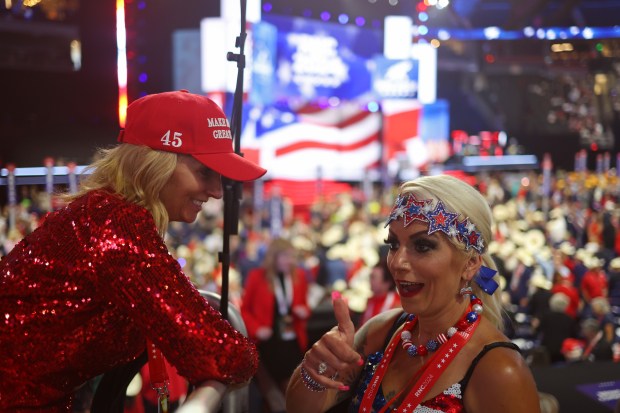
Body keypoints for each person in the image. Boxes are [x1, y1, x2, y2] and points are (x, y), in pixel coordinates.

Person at [0, 90, 266, 412]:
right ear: (155, 163)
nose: (215, 192)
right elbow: (224, 354)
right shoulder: (117, 224)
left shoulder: (104, 214)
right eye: (203, 172)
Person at [286, 174, 541, 413]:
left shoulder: (500, 371)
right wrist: (314, 370)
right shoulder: (382, 332)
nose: (397, 262)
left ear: (470, 264)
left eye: (422, 246)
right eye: (393, 244)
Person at [241, 237, 310, 412]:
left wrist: (303, 311)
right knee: (270, 392)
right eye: (286, 256)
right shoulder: (257, 277)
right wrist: (257, 328)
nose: (291, 261)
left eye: (292, 256)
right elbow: (244, 310)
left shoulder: (299, 276)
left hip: (292, 341)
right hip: (267, 344)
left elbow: (304, 305)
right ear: (274, 257)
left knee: (291, 387)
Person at [357, 255, 401, 328]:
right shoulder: (371, 301)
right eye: (370, 277)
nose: (370, 281)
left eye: (373, 277)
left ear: (387, 283)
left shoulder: (397, 304)